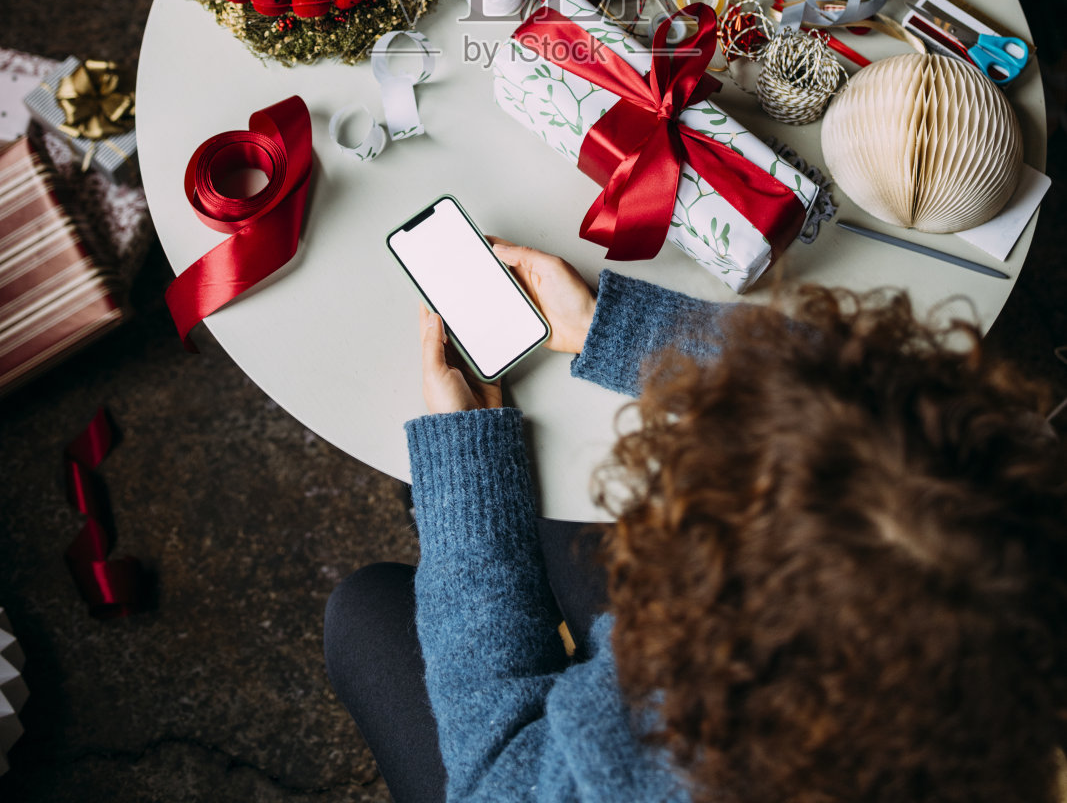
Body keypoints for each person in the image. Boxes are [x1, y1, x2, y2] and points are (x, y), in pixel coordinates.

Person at [325, 243, 1067, 803]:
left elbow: (495, 771)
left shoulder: (688, 754)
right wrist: (618, 329)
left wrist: (466, 485)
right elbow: (867, 399)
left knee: (362, 612)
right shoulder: (1009, 531)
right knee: (561, 520)